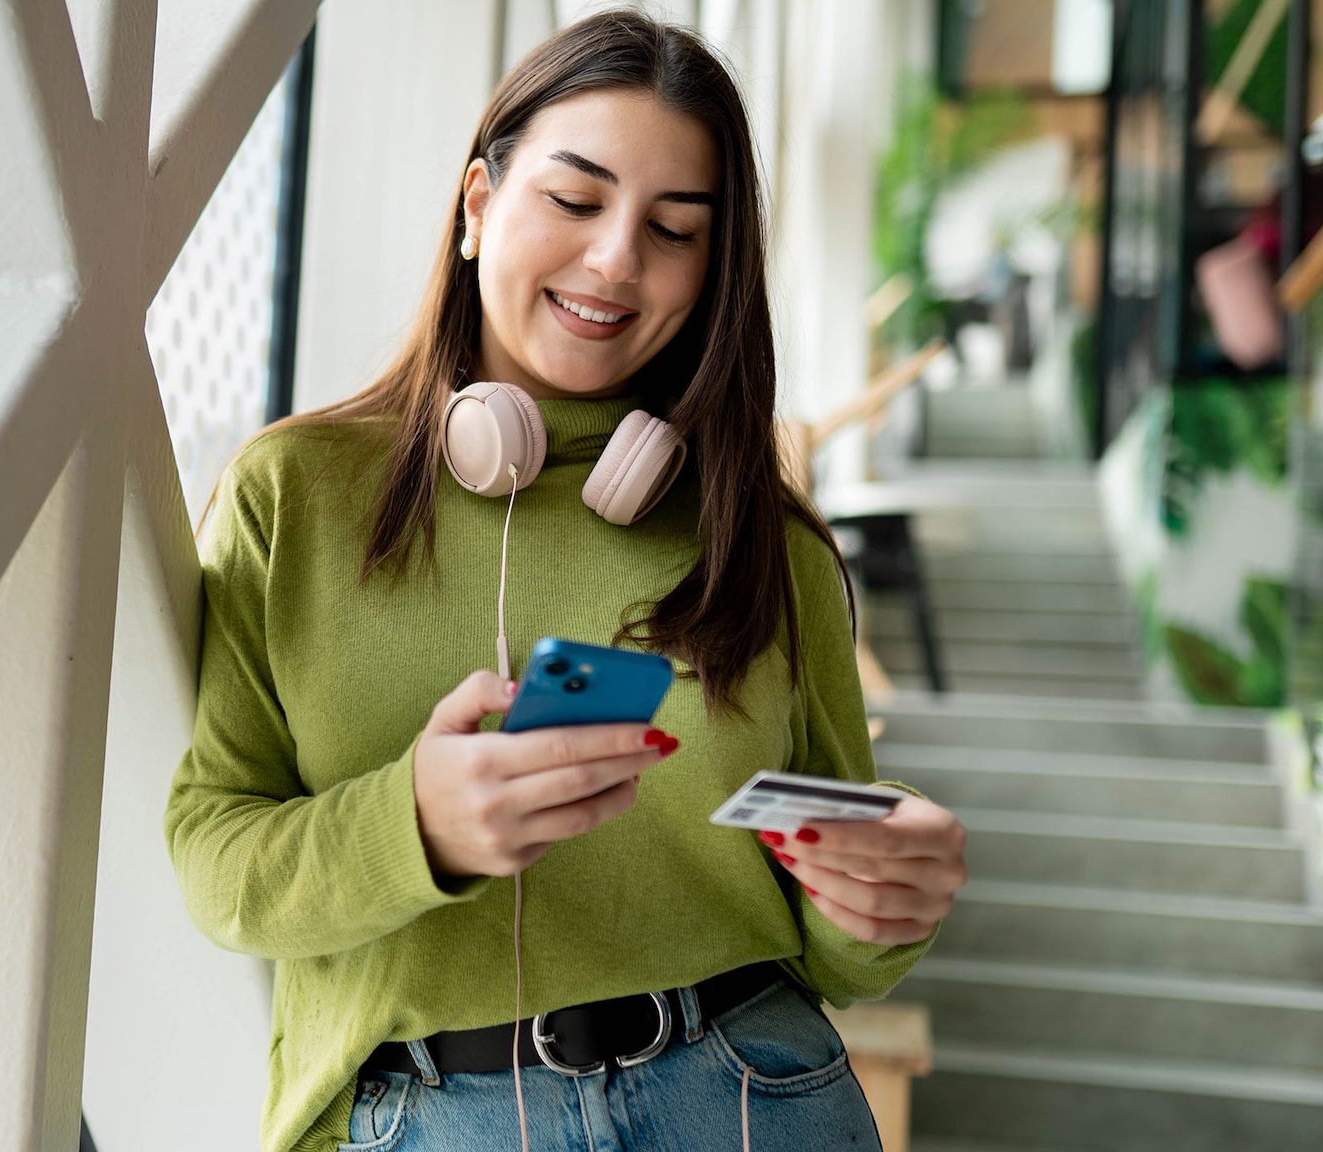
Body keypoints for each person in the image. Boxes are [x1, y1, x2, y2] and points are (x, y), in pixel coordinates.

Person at [165, 12, 967, 1152]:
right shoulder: (292, 495)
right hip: (429, 1114)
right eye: (574, 201)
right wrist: (415, 827)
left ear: (711, 269)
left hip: (747, 1093)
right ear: (478, 204)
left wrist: (884, 908)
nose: (615, 261)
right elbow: (215, 865)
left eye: (673, 228)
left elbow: (838, 952)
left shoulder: (757, 534)